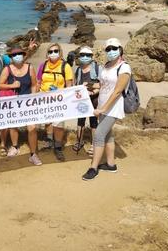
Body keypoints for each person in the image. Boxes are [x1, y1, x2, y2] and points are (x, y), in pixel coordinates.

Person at [82, 38, 131, 181]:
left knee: (98, 135)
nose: (110, 51)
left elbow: (117, 92)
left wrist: (103, 109)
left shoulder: (124, 67)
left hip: (112, 108)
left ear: (120, 49)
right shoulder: (107, 65)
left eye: (114, 48)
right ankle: (111, 164)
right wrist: (90, 86)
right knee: (108, 135)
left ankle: (93, 168)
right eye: (108, 49)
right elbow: (103, 86)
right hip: (102, 106)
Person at [0, 46, 42, 165]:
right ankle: (15, 146)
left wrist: (33, 97)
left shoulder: (30, 67)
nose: (17, 56)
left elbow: (33, 84)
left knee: (32, 128)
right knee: (13, 125)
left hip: (28, 102)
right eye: (14, 55)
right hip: (13, 102)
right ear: (11, 57)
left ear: (23, 55)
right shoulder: (7, 69)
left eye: (20, 54)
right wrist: (12, 86)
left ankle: (33, 154)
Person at [37, 43, 73, 161]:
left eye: (55, 51)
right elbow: (38, 82)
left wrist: (59, 91)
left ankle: (58, 147)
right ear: (47, 53)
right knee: (47, 121)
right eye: (50, 51)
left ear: (60, 52)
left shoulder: (65, 66)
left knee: (58, 124)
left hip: (59, 100)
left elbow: (69, 86)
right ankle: (49, 141)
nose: (53, 53)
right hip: (45, 99)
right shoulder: (43, 65)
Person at [72, 46, 101, 156]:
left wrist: (93, 92)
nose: (85, 57)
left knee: (94, 123)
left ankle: (94, 144)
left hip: (94, 99)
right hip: (82, 100)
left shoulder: (97, 69)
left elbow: (102, 85)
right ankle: (79, 141)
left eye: (87, 55)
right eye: (82, 55)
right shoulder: (78, 69)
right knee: (80, 122)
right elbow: (76, 84)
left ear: (91, 57)